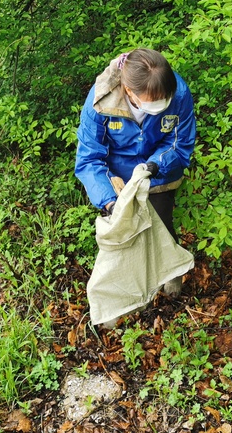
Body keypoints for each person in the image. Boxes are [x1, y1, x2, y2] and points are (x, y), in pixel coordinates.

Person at [75, 48, 196, 296]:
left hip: (160, 171)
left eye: (164, 99)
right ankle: (135, 291)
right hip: (118, 178)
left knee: (162, 223)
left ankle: (171, 274)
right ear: (129, 91)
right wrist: (110, 201)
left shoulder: (179, 92)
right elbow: (89, 158)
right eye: (153, 100)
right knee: (127, 235)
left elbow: (180, 144)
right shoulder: (101, 100)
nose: (160, 104)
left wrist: (155, 165)